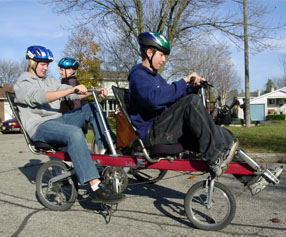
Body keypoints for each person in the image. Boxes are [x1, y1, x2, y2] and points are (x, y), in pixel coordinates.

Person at [128, 32, 283, 195]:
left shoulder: (155, 77)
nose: (164, 59)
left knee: (223, 135)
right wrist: (184, 82)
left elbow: (170, 97)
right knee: (191, 103)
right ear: (149, 52)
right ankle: (215, 157)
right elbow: (155, 99)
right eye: (162, 55)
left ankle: (251, 178)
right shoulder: (139, 76)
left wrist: (191, 87)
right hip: (154, 135)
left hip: (166, 129)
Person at [14, 45, 125, 203]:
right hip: (40, 127)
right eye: (43, 64)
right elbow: (41, 97)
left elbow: (72, 92)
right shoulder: (23, 84)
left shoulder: (49, 81)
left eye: (47, 65)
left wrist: (94, 91)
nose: (46, 68)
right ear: (32, 63)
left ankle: (106, 149)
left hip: (58, 120)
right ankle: (95, 187)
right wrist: (71, 91)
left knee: (93, 107)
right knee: (74, 133)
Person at [58, 57, 114, 154]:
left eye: (62, 69)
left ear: (71, 70)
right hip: (70, 123)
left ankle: (107, 144)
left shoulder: (70, 81)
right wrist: (96, 91)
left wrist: (95, 91)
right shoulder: (70, 82)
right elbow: (76, 98)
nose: (60, 72)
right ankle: (107, 145)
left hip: (68, 121)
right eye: (60, 69)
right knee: (94, 107)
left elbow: (77, 102)